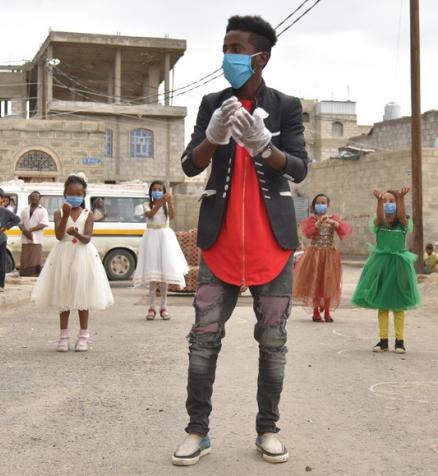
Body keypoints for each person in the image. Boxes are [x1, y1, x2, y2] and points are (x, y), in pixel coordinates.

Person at [173, 15, 308, 466]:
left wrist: (264, 146)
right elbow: (191, 165)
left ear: (260, 57)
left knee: (273, 341)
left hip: (273, 243)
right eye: (225, 47)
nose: (227, 55)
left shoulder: (286, 106)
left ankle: (267, 429)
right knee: (204, 337)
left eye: (236, 47)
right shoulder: (213, 101)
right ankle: (197, 430)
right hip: (220, 241)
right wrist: (214, 137)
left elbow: (299, 167)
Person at [31, 174, 113, 352]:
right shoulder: (59, 213)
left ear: (83, 195)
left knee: (83, 297)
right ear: (64, 193)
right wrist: (66, 215)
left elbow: (87, 238)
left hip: (83, 257)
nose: (74, 196)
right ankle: (63, 337)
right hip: (63, 256)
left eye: (78, 193)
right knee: (64, 296)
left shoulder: (88, 214)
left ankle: (83, 336)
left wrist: (76, 234)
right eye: (70, 193)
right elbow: (59, 236)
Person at [351, 187, 420, 354]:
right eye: (385, 201)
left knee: (399, 305)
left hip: (399, 266)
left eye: (392, 201)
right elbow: (379, 217)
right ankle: (383, 341)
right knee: (382, 305)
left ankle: (400, 341)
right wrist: (378, 202)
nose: (388, 204)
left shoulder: (403, 223)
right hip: (380, 265)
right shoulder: (379, 222)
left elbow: (402, 217)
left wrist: (402, 198)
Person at [134, 181, 190, 320]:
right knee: (153, 277)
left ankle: (164, 307)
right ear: (151, 192)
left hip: (165, 239)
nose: (157, 191)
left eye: (160, 189)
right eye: (155, 189)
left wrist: (169, 202)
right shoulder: (146, 205)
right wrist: (160, 201)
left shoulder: (165, 205)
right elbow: (151, 215)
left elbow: (171, 216)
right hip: (151, 238)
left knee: (164, 277)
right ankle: (151, 307)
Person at [292, 194, 351, 322]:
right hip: (315, 255)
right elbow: (308, 233)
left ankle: (328, 311)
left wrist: (336, 224)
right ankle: (316, 311)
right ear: (314, 205)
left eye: (323, 202)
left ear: (328, 205)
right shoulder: (311, 220)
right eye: (318, 202)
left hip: (329, 255)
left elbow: (344, 231)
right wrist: (318, 223)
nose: (321, 205)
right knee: (316, 282)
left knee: (329, 283)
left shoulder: (332, 218)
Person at [19, 191, 49, 277]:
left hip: (37, 239)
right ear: (30, 198)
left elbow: (43, 224)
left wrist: (30, 230)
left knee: (35, 259)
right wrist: (25, 231)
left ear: (39, 199)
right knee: (25, 258)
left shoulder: (43, 210)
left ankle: (34, 275)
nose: (34, 198)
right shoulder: (25, 210)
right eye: (32, 196)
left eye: (36, 197)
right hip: (25, 238)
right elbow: (20, 223)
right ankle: (24, 275)